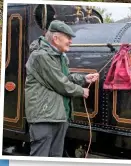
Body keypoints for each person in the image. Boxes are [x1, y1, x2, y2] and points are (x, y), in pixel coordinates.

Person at [24, 20, 99, 157]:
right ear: (56, 38)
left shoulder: (59, 57)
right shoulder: (40, 56)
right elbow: (60, 83)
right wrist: (81, 91)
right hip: (44, 118)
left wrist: (83, 78)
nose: (71, 41)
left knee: (55, 157)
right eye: (68, 38)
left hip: (59, 117)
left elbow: (65, 77)